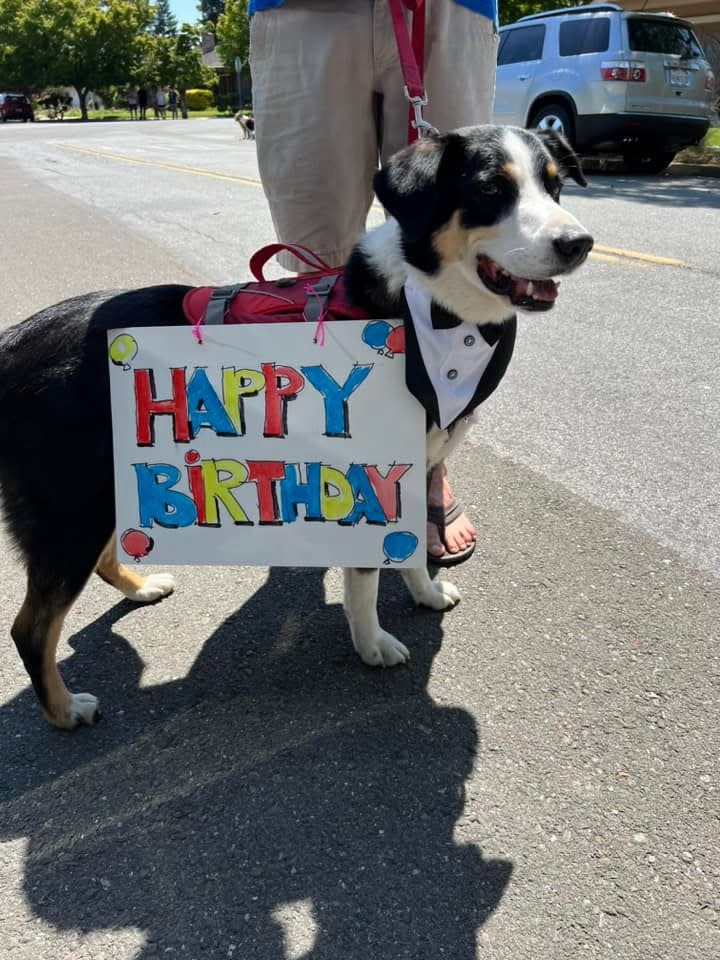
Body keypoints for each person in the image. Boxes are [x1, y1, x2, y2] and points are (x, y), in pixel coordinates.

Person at [249, 0, 498, 565]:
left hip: (449, 11)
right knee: (318, 254)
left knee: (450, 248)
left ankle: (430, 465)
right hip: (301, 13)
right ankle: (329, 460)